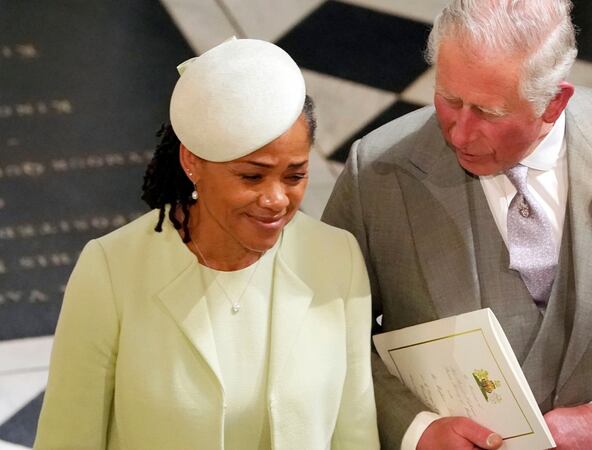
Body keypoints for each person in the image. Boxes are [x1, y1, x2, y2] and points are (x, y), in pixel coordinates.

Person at [321, 1, 592, 449]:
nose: (460, 134)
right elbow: (327, 334)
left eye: (488, 112)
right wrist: (417, 428)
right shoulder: (376, 172)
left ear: (554, 102)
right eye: (449, 99)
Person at [34, 38, 379, 450]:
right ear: (192, 162)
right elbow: (67, 439)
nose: (276, 200)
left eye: (295, 175)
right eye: (252, 177)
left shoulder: (336, 258)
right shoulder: (112, 269)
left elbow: (355, 432)